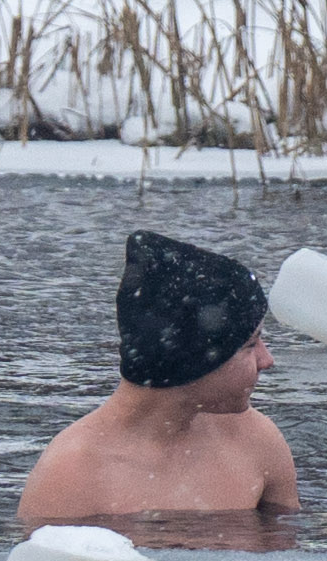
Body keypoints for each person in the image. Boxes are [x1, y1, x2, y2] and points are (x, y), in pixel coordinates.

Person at [18, 229, 304, 536]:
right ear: (196, 360)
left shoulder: (256, 440)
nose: (267, 360)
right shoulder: (73, 475)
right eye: (251, 344)